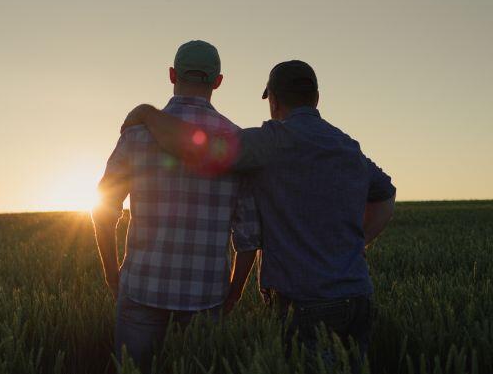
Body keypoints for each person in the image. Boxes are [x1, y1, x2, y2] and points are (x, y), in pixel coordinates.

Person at [121, 60, 396, 368]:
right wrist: (358, 242)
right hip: (359, 298)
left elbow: (197, 148)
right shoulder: (348, 147)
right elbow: (386, 197)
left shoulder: (270, 142)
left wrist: (146, 112)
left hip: (306, 304)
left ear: (274, 101)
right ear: (316, 99)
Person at [91, 40, 261, 373]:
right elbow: (249, 235)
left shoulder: (137, 135)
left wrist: (113, 275)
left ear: (172, 75)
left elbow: (103, 210)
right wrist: (234, 292)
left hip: (141, 285)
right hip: (207, 293)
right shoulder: (236, 143)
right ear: (218, 81)